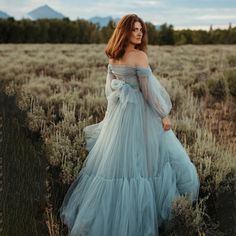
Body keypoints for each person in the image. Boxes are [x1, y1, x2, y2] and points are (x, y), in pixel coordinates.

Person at [59, 14, 200, 236]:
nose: (139, 33)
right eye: (135, 29)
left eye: (141, 29)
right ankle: (143, 219)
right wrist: (163, 114)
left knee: (118, 164)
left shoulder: (113, 56)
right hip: (140, 115)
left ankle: (106, 218)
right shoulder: (139, 56)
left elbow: (110, 91)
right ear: (124, 31)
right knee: (146, 162)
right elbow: (147, 91)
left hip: (120, 115)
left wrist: (114, 112)